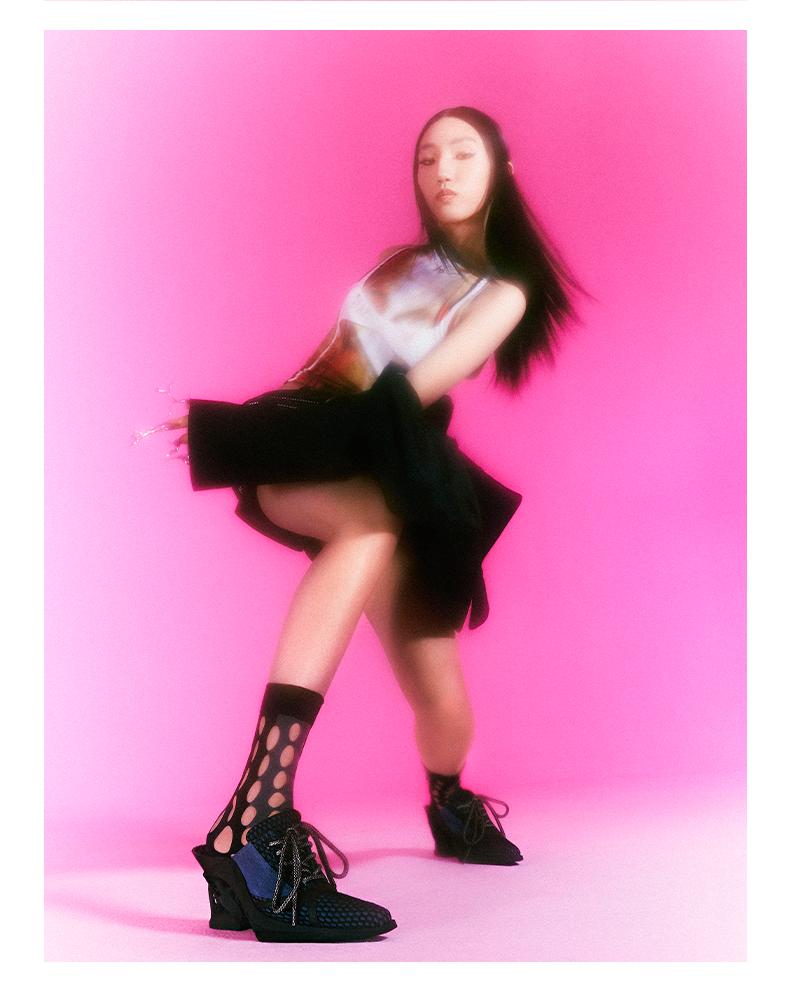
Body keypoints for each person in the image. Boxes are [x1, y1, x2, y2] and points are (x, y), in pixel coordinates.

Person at [155, 107, 580, 942]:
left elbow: (399, 403)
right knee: (367, 523)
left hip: (398, 468)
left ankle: (449, 798)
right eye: (427, 157)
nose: (443, 171)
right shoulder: (397, 264)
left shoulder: (502, 292)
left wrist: (234, 432)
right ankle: (256, 824)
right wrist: (247, 428)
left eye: (463, 154)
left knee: (444, 707)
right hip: (318, 452)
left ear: (501, 168)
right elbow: (326, 374)